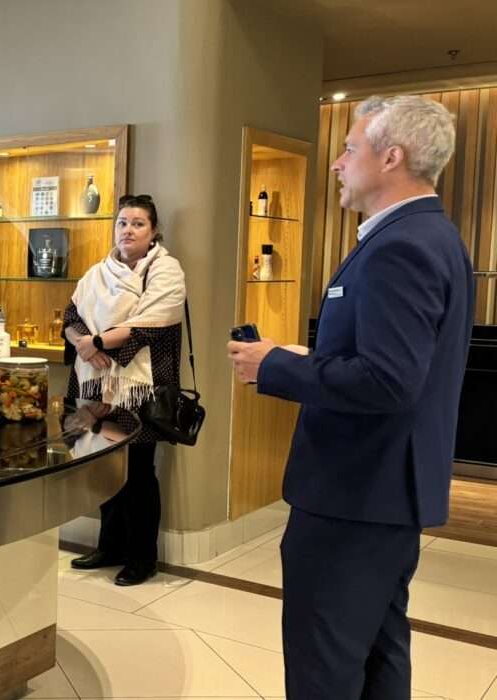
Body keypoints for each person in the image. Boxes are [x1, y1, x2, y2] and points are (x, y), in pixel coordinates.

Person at [228, 95, 473, 699]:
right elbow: (397, 364)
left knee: (325, 667)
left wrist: (275, 366)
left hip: (355, 495)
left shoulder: (400, 246)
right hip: (384, 495)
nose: (337, 163)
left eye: (348, 148)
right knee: (378, 654)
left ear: (392, 157)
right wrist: (306, 358)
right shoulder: (431, 235)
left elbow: (388, 381)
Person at [64, 194, 186, 587]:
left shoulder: (166, 271)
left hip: (140, 388)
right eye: (122, 222)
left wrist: (97, 343)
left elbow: (153, 323)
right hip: (96, 384)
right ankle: (110, 547)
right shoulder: (97, 273)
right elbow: (71, 316)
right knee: (103, 466)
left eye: (138, 223)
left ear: (154, 231)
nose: (128, 230)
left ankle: (142, 558)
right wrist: (85, 344)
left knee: (138, 473)